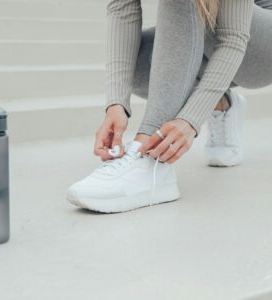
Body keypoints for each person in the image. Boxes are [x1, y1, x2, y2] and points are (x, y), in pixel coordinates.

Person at [67, 0, 272, 213]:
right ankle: (221, 103)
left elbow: (233, 38)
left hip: (263, 44)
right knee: (136, 65)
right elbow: (122, 8)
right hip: (210, 28)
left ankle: (148, 157)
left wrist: (191, 120)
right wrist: (116, 103)